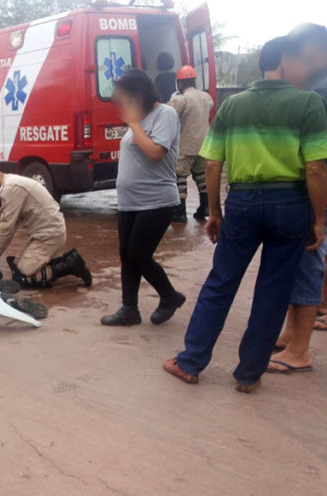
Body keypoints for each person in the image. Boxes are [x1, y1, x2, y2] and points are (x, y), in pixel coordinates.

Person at [163, 34, 327, 393]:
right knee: (273, 289)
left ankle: (190, 362)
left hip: (242, 204)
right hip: (291, 204)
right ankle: (249, 374)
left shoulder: (233, 105)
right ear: (283, 62)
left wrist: (215, 212)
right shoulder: (308, 103)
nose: (308, 69)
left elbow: (212, 163)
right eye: (302, 62)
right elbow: (316, 168)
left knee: (221, 282)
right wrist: (318, 219)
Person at [99, 69, 184, 327]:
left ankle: (169, 296)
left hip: (156, 200)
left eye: (126, 98)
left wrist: (134, 124)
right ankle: (129, 309)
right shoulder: (140, 118)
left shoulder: (165, 114)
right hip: (129, 202)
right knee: (127, 255)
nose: (122, 105)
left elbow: (156, 153)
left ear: (139, 94)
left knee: (138, 255)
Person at [267, 24, 327, 375]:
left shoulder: (318, 95)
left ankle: (299, 350)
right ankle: (292, 334)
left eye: (286, 61)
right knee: (303, 260)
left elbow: (315, 163)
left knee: (307, 261)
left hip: (316, 194)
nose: (283, 70)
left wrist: (317, 216)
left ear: (309, 55)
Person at [0, 163, 92, 289]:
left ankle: (71, 264)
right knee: (18, 267)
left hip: (50, 234)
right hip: (44, 232)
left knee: (24, 276)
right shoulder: (12, 182)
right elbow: (10, 227)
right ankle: (66, 260)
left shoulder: (11, 189)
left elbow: (6, 227)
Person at [168, 65, 214, 222]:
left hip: (186, 145)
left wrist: (173, 97)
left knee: (180, 176)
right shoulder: (206, 97)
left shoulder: (181, 99)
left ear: (179, 83)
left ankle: (180, 212)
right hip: (204, 144)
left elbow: (169, 113)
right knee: (201, 175)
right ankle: (205, 207)